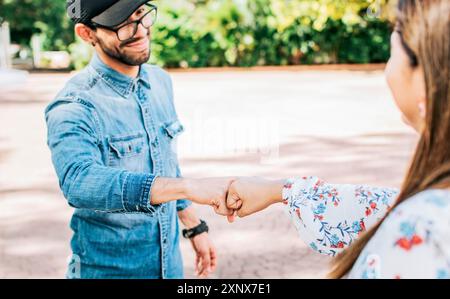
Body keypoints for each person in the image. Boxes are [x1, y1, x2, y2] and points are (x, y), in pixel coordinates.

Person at [225, 0, 450, 279]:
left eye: (393, 49)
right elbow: (380, 207)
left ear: (425, 77)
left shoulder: (420, 231)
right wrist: (280, 191)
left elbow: (401, 217)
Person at [46, 0, 234, 279]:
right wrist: (186, 187)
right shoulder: (73, 106)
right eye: (121, 24)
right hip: (108, 271)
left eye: (140, 14)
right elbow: (79, 181)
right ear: (87, 34)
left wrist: (194, 226)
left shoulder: (160, 81)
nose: (139, 30)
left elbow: (165, 162)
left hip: (170, 268)